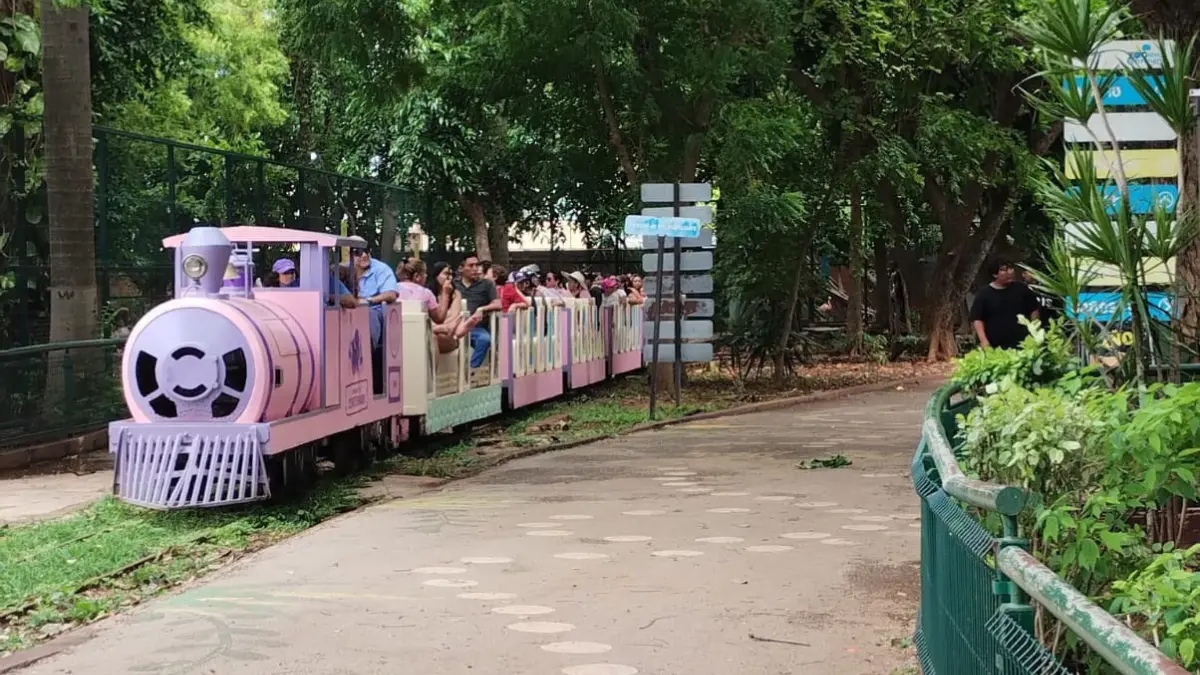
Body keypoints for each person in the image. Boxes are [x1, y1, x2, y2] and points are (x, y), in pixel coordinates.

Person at [969, 259, 1041, 349]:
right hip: (996, 347)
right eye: (1004, 269)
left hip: (1023, 344)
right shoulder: (984, 294)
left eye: (1011, 268)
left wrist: (1035, 331)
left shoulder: (1021, 288)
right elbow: (977, 319)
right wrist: (984, 341)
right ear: (995, 274)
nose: (1010, 272)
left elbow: (1033, 309)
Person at [454, 253, 502, 368]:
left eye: (477, 265)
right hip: (454, 325)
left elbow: (498, 303)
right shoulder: (454, 284)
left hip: (476, 327)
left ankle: (471, 370)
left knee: (485, 339)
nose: (475, 269)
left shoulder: (486, 284)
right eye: (471, 265)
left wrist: (482, 309)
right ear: (461, 268)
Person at [348, 242, 399, 349]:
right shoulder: (343, 269)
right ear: (349, 255)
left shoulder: (381, 269)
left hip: (374, 310)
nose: (364, 255)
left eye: (366, 251)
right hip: (348, 310)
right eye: (358, 252)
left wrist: (369, 300)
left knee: (369, 314)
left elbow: (391, 294)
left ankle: (368, 350)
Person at [426, 261, 464, 354]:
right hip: (431, 333)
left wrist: (435, 328)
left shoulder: (455, 294)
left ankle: (433, 369)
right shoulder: (427, 293)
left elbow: (453, 319)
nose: (449, 278)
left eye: (451, 274)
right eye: (446, 274)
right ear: (436, 275)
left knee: (432, 337)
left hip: (448, 337)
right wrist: (440, 328)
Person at [397, 259, 449, 324]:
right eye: (424, 273)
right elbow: (439, 318)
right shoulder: (426, 293)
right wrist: (446, 293)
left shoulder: (392, 290)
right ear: (417, 276)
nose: (426, 275)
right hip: (417, 332)